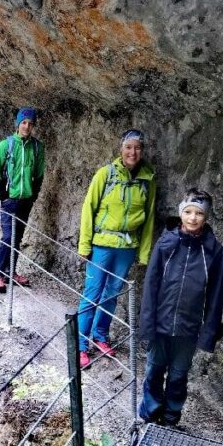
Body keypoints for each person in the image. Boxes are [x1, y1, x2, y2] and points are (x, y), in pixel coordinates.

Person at [137, 188, 223, 426]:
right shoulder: (166, 244)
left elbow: (216, 297)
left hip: (189, 327)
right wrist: (147, 323)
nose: (192, 218)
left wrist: (208, 334)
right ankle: (150, 413)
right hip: (161, 322)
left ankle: (170, 417)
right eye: (188, 212)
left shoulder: (214, 252)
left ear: (206, 217)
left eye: (199, 213)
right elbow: (151, 286)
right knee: (154, 370)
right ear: (181, 213)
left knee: (178, 375)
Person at [76, 129, 156, 369]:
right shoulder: (106, 174)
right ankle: (80, 345)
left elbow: (149, 217)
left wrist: (143, 252)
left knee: (113, 292)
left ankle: (100, 335)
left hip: (127, 246)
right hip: (103, 244)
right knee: (92, 292)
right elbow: (88, 208)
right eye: (129, 147)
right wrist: (84, 244)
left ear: (142, 151)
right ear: (121, 149)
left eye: (137, 148)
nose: (133, 152)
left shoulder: (147, 179)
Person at [0, 107, 46, 293]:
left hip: (25, 200)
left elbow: (38, 176)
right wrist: (3, 196)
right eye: (24, 123)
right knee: (7, 237)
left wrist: (33, 196)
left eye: (30, 124)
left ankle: (10, 272)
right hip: (9, 200)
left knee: (18, 237)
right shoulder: (6, 145)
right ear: (18, 124)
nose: (27, 126)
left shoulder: (37, 148)